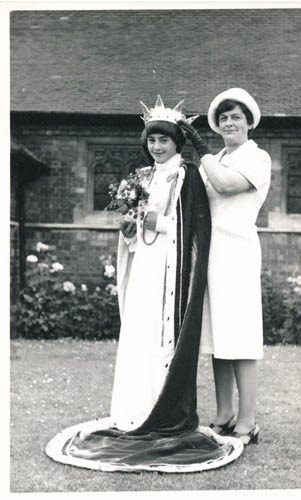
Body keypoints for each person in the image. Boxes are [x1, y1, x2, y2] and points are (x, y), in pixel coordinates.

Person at [45, 95, 243, 473]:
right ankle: (131, 412)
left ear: (176, 143)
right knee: (138, 332)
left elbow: (194, 229)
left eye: (163, 141)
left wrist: (159, 224)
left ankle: (161, 408)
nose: (156, 147)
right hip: (144, 267)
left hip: (170, 268)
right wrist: (131, 231)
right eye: (151, 140)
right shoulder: (140, 176)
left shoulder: (187, 176)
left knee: (159, 335)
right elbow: (137, 225)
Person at [179, 88, 271, 446]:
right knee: (218, 337)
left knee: (241, 337)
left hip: (238, 251)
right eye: (224, 118)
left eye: (236, 117)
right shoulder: (216, 157)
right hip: (212, 253)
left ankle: (248, 421)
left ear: (249, 122)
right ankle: (224, 414)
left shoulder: (256, 157)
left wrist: (200, 151)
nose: (230, 122)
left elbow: (227, 186)